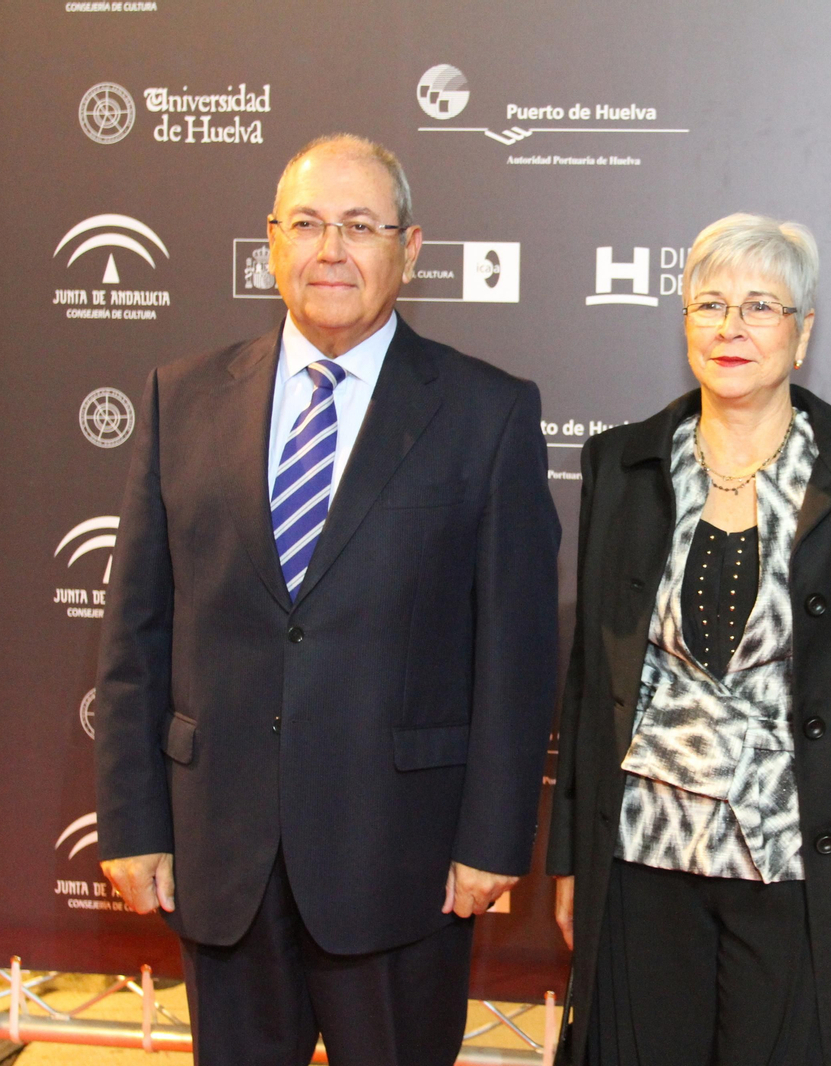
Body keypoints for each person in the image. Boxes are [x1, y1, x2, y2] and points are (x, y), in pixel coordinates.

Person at [93, 133, 560, 1066]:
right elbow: (135, 635)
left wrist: (494, 839)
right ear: (271, 241)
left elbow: (517, 652)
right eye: (307, 224)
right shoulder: (179, 398)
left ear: (411, 247)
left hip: (404, 862)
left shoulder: (486, 413)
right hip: (223, 856)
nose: (331, 249)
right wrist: (135, 821)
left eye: (359, 225)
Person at [546, 213, 831, 1066]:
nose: (731, 327)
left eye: (761, 306)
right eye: (710, 304)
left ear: (802, 336)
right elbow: (593, 677)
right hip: (643, 858)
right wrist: (571, 854)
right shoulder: (623, 463)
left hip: (802, 865)